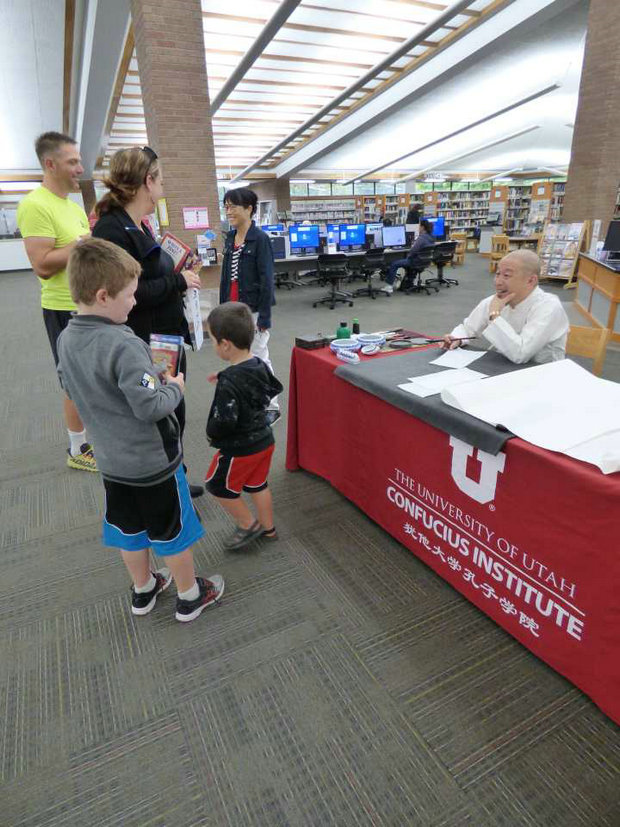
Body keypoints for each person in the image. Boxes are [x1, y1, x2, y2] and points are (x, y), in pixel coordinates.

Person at [57, 237, 224, 622]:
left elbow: (73, 386)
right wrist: (173, 387)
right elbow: (150, 404)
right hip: (152, 464)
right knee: (171, 530)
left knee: (128, 528)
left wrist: (145, 378)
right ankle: (189, 595)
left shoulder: (67, 338)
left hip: (112, 463)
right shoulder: (123, 343)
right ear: (103, 296)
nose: (135, 302)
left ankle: (144, 589)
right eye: (130, 296)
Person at [92, 146, 204, 497]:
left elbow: (147, 274)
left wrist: (176, 272)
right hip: (147, 340)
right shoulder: (113, 230)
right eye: (161, 180)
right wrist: (178, 281)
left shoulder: (137, 224)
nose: (163, 189)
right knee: (162, 413)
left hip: (165, 336)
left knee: (174, 410)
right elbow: (128, 294)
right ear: (147, 181)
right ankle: (171, 488)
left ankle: (178, 478)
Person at [16, 131, 95, 471]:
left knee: (91, 377)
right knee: (73, 380)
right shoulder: (34, 204)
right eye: (73, 161)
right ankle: (77, 449)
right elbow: (42, 265)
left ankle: (92, 439)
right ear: (50, 164)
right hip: (63, 307)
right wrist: (82, 243)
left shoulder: (72, 206)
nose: (80, 168)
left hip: (86, 304)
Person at [204, 302, 283, 552]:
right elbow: (262, 384)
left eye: (213, 340)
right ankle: (269, 529)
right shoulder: (258, 363)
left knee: (217, 485)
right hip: (265, 440)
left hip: (241, 449)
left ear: (225, 344)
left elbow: (224, 420)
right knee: (258, 484)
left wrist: (211, 434)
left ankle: (248, 524)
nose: (213, 345)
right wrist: (225, 374)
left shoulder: (230, 383)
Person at [443, 249, 569, 363]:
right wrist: (456, 338)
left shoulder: (549, 307)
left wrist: (494, 315)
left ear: (531, 280)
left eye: (506, 276)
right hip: (504, 367)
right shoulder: (496, 301)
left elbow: (521, 354)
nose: (498, 282)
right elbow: (468, 328)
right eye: (498, 274)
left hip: (542, 374)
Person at [220, 187, 279, 425]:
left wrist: (265, 317)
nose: (229, 211)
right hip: (232, 311)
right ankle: (250, 401)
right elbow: (226, 278)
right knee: (240, 358)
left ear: (249, 209)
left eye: (233, 206)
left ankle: (272, 405)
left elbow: (267, 280)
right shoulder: (230, 238)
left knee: (260, 357)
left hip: (252, 309)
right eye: (226, 206)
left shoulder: (260, 239)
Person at [381, 218, 435, 294]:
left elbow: (413, 251)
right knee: (402, 261)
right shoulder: (431, 237)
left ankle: (389, 286)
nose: (419, 228)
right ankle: (409, 282)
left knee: (394, 264)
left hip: (415, 261)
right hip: (425, 261)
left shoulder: (421, 238)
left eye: (419, 226)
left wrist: (408, 257)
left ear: (422, 227)